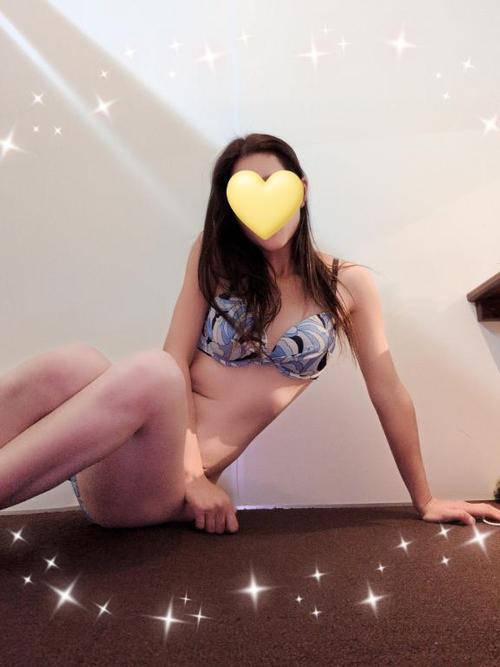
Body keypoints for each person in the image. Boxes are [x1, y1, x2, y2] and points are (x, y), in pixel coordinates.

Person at [0, 133, 499, 535]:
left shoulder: (348, 285)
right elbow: (176, 360)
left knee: (151, 370)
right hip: (135, 461)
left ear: (301, 188)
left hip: (156, 492)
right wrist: (193, 473)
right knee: (73, 363)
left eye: (272, 183)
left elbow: (389, 393)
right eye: (244, 192)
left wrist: (425, 499)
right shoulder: (214, 257)